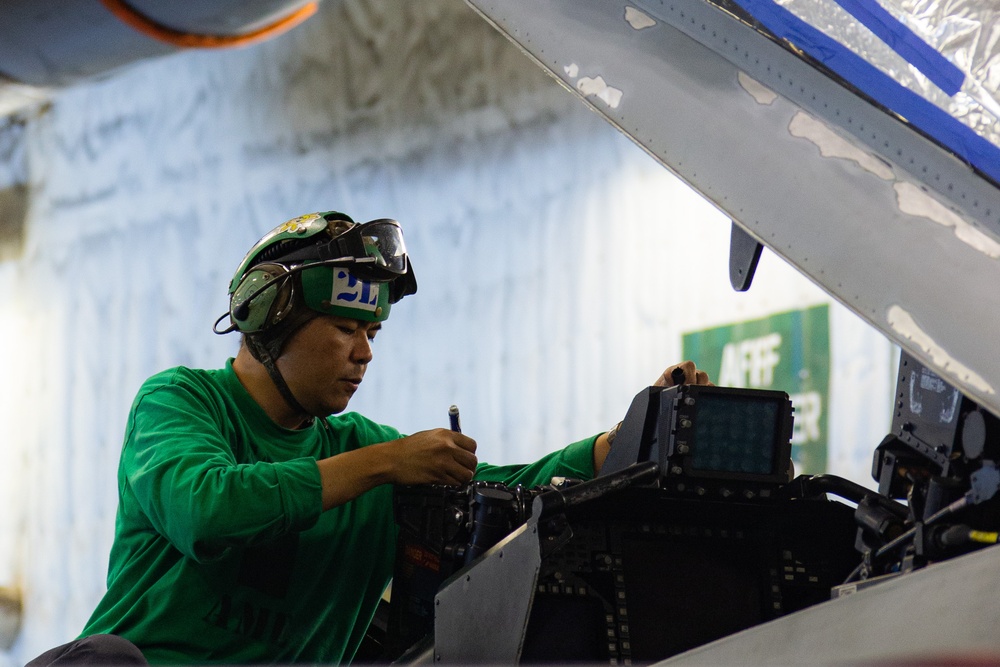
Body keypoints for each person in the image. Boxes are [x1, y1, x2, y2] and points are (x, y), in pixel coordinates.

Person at [28, 211, 711, 665]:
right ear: (268, 318)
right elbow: (207, 509)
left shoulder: (360, 451)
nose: (365, 354)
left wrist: (616, 443)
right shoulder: (181, 403)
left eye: (374, 334)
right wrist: (388, 462)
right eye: (345, 330)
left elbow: (503, 492)